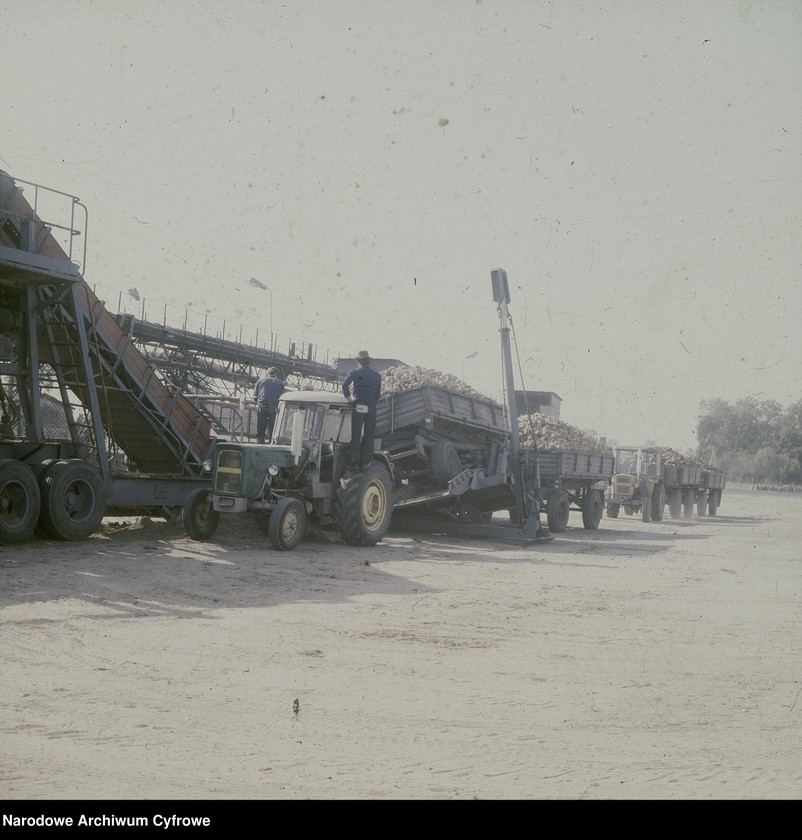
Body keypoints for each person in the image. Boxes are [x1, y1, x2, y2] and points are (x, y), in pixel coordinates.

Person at [341, 350, 381, 470]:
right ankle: (366, 463)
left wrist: (349, 398)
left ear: (358, 361)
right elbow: (378, 395)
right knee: (369, 434)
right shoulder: (376, 375)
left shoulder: (355, 372)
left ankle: (354, 463)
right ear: (368, 361)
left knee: (356, 434)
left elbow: (344, 385)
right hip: (371, 406)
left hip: (359, 404)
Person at [253, 367, 285, 444]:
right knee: (273, 428)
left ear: (268, 373)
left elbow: (255, 396)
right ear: (277, 374)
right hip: (274, 407)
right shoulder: (280, 383)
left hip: (262, 406)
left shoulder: (260, 381)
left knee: (260, 427)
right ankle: (271, 443)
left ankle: (259, 444)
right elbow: (282, 397)